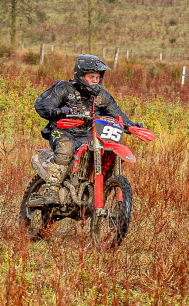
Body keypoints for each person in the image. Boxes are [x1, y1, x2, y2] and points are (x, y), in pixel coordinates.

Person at [28, 54, 143, 206]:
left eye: (97, 77)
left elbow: (117, 114)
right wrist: (59, 111)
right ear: (81, 76)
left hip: (89, 136)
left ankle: (97, 193)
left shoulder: (102, 96)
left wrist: (131, 126)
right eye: (91, 77)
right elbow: (43, 105)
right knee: (65, 148)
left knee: (108, 153)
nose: (95, 80)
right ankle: (51, 190)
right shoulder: (65, 89)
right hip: (62, 132)